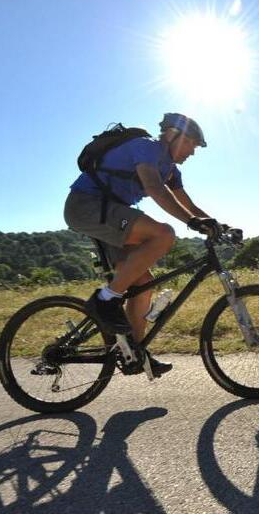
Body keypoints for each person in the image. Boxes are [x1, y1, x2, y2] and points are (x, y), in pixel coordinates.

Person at [64, 113, 221, 377]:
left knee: (143, 283)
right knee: (163, 234)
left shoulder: (170, 170)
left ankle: (134, 353)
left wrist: (219, 226)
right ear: (171, 135)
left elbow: (189, 206)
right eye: (190, 143)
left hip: (110, 212)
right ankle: (104, 300)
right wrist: (191, 222)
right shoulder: (147, 148)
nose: (192, 152)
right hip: (87, 205)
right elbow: (155, 188)